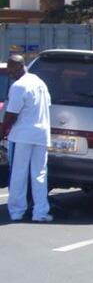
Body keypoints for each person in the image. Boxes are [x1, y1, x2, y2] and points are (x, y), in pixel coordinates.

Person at [1, 54, 52, 222]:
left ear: (20, 66)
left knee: (18, 174)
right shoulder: (39, 82)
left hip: (22, 135)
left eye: (12, 70)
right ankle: (40, 212)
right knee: (39, 174)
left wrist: (1, 132)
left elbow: (11, 115)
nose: (10, 74)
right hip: (42, 134)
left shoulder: (19, 86)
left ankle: (17, 211)